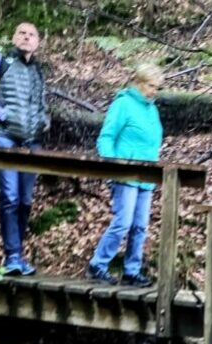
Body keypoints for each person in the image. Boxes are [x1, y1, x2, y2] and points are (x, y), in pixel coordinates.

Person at [0, 22, 49, 276]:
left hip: (31, 142)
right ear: (14, 37)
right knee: (10, 197)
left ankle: (18, 254)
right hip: (4, 137)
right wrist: (3, 115)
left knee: (26, 201)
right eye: (22, 33)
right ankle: (12, 257)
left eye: (32, 35)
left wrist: (43, 122)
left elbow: (42, 104)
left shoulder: (38, 70)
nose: (27, 38)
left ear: (37, 42)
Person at [88, 64, 165, 287]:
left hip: (146, 175)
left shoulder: (152, 109)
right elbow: (105, 138)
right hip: (125, 175)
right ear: (138, 83)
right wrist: (113, 167)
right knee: (123, 222)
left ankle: (132, 270)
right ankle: (98, 264)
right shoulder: (123, 104)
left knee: (140, 225)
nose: (153, 91)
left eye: (157, 88)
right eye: (151, 86)